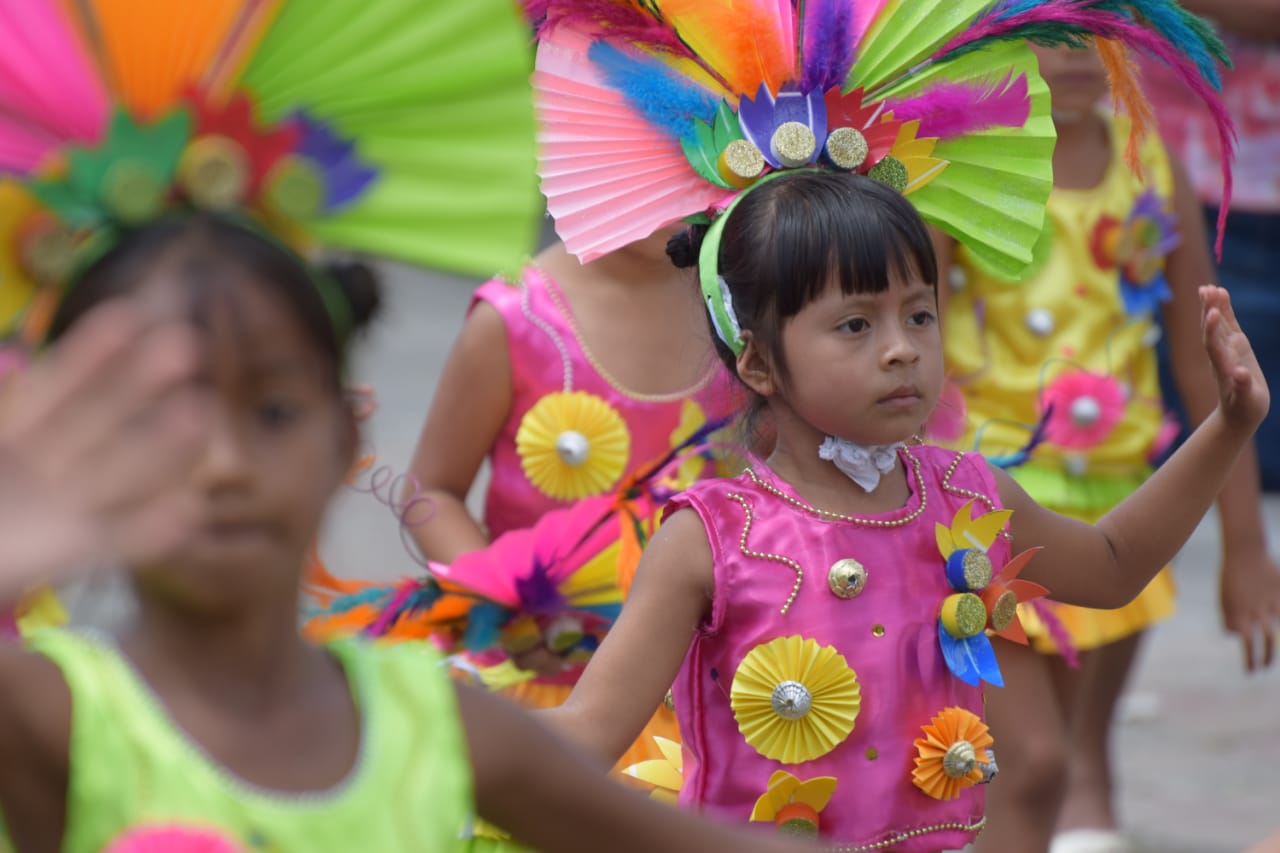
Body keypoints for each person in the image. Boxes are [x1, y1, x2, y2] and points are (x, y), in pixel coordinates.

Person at [0, 213, 821, 853]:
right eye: (155, 418)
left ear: (345, 439)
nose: (222, 465)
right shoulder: (46, 708)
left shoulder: (430, 725)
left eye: (274, 411)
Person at [934, 43, 1280, 853]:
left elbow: (1210, 362)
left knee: (1083, 752)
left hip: (1125, 503)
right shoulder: (969, 163)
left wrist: (1245, 543)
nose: (1075, 57)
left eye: (1097, 28)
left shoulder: (1145, 158)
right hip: (999, 503)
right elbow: (908, 321)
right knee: (1031, 757)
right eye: (1047, 34)